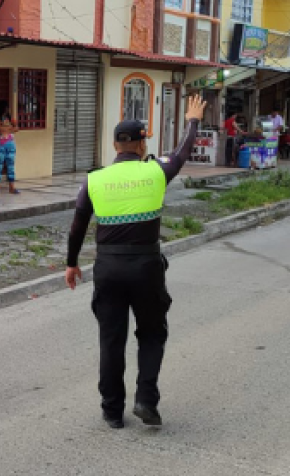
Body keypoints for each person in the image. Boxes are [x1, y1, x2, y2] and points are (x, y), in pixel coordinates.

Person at [64, 94, 208, 429]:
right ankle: (146, 399)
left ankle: (113, 411)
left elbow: (77, 227)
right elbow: (183, 154)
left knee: (111, 340)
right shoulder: (156, 172)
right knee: (152, 333)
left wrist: (72, 264)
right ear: (142, 145)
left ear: (115, 145)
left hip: (108, 269)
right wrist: (192, 120)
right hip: (146, 268)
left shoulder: (94, 179)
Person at [0, 117, 19, 194]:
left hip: (8, 146)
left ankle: (11, 187)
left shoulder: (10, 128)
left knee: (10, 167)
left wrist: (13, 124)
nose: (5, 128)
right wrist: (10, 126)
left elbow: (16, 129)